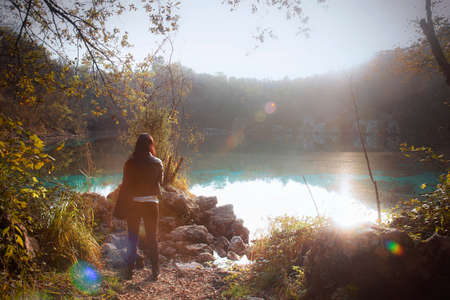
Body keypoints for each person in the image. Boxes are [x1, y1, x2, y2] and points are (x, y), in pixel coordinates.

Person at [113, 133, 163, 281]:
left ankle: (129, 271)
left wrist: (119, 209)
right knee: (152, 237)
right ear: (150, 145)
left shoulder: (130, 163)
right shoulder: (158, 162)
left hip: (134, 204)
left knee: (132, 238)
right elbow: (160, 183)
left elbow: (125, 186)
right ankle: (155, 271)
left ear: (137, 145)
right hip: (152, 204)